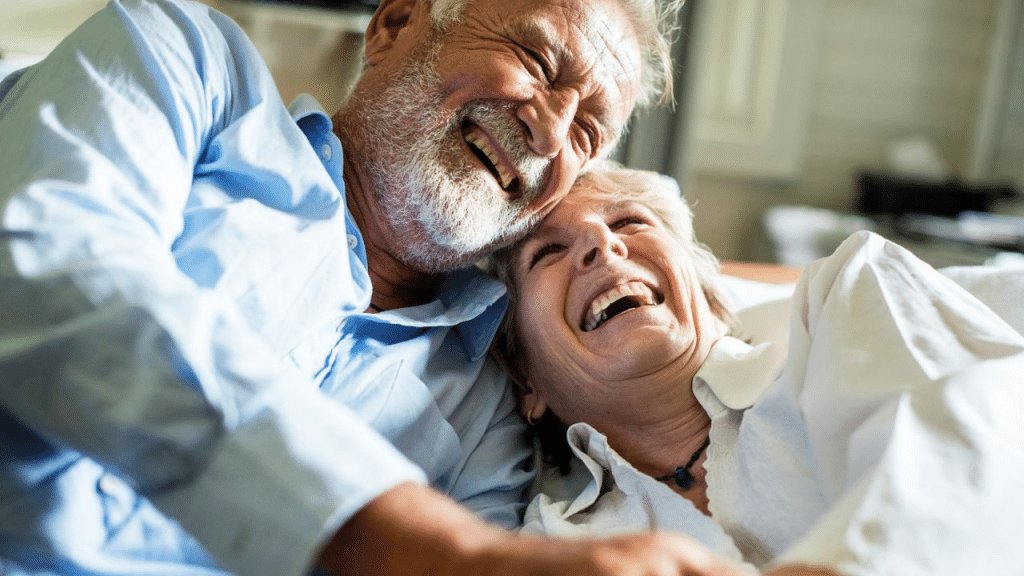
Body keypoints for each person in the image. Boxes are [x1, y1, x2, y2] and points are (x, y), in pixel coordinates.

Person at [0, 0, 756, 574]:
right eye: (536, 60)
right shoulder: (187, 63)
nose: (552, 133)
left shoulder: (488, 418)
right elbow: (48, 263)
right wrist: (431, 543)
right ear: (395, 23)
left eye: (588, 132)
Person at [490, 161, 1024, 575]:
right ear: (526, 382)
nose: (601, 244)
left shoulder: (845, 299)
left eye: (628, 219)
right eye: (547, 252)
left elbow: (980, 432)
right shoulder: (558, 549)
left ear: (709, 297)